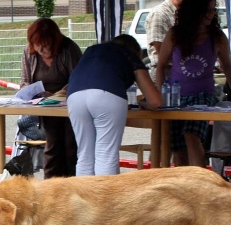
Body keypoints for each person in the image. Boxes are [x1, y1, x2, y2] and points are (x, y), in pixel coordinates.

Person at [156, 0, 231, 168]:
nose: (211, 14)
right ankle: (185, 188)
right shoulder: (175, 33)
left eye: (213, 10)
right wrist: (161, 95)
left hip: (203, 95)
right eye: (206, 10)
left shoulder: (217, 37)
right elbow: (160, 66)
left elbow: (227, 67)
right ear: (194, 10)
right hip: (176, 97)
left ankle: (199, 182)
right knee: (179, 149)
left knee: (192, 136)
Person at [67, 34, 162, 176]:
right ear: (135, 50)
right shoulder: (130, 55)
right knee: (106, 154)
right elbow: (155, 101)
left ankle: (84, 197)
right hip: (107, 94)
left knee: (85, 155)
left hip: (74, 96)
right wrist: (144, 103)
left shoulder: (92, 50)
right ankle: (106, 198)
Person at [21, 18, 82, 178]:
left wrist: (61, 92)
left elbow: (79, 78)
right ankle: (50, 186)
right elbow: (25, 80)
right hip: (44, 106)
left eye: (46, 45)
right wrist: (31, 91)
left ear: (55, 40)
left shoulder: (69, 49)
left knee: (71, 146)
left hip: (70, 105)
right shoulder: (29, 52)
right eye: (38, 45)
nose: (42, 50)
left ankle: (73, 183)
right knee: (52, 145)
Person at [145, 0, 200, 83]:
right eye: (189, 1)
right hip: (165, 74)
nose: (192, 6)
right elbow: (160, 49)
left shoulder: (183, 14)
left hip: (182, 72)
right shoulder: (159, 14)